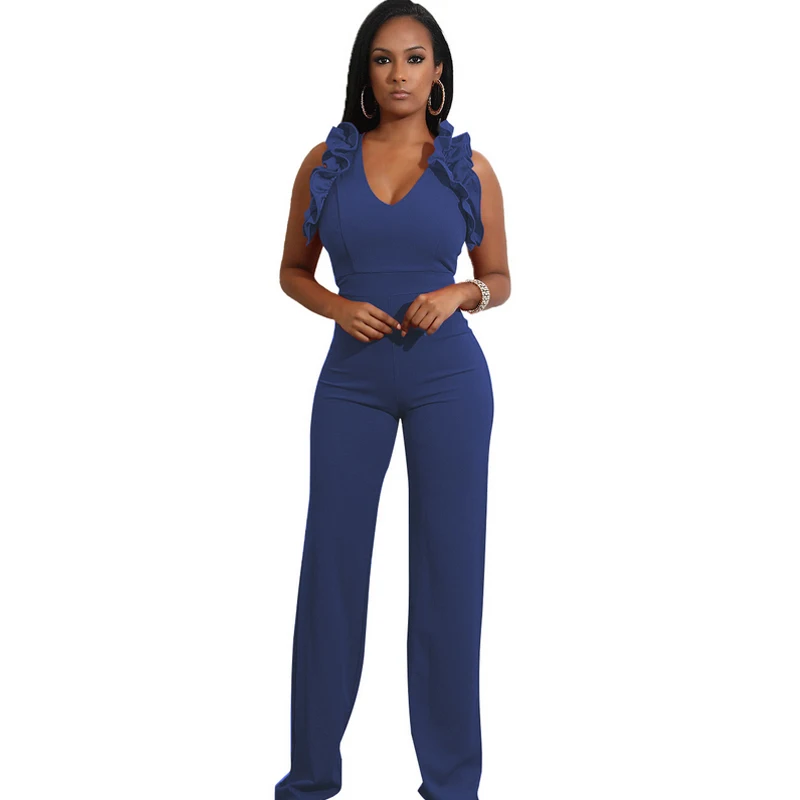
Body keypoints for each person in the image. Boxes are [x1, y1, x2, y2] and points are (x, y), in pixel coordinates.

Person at [275, 2, 510, 798]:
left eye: (414, 58)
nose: (399, 74)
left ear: (438, 71)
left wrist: (461, 293)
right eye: (383, 59)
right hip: (352, 381)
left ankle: (451, 784)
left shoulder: (468, 168)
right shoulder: (326, 161)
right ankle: (310, 780)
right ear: (365, 72)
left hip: (450, 381)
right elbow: (292, 270)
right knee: (330, 571)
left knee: (451, 576)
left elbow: (500, 277)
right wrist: (337, 307)